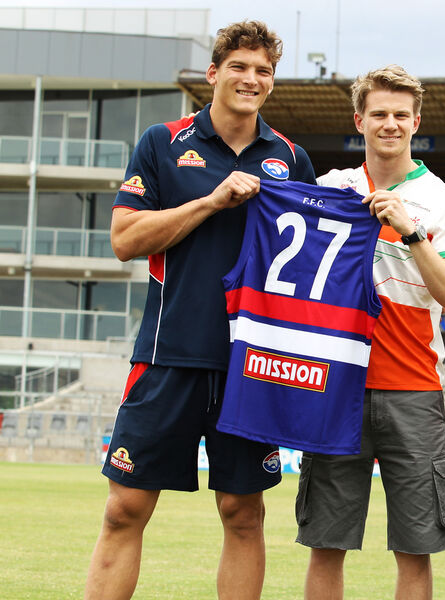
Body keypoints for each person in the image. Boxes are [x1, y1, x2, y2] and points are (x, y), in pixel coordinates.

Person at [84, 21, 315, 600]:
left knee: (243, 513)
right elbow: (124, 239)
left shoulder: (290, 157)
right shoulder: (163, 142)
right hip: (169, 353)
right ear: (214, 74)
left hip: (253, 364)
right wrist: (211, 201)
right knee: (125, 508)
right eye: (239, 66)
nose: (251, 78)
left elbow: (312, 266)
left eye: (263, 70)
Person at [295, 65, 445, 600]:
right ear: (359, 120)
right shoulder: (330, 188)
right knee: (326, 543)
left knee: (415, 547)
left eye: (400, 114)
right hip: (336, 384)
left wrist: (410, 229)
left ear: (416, 121)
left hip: (413, 386)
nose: (390, 123)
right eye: (379, 114)